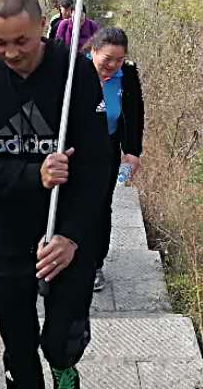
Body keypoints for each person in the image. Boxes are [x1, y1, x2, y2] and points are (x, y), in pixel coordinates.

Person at [0, 0, 112, 389]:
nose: (10, 53)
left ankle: (64, 367)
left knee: (61, 341)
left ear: (43, 26)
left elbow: (99, 165)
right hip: (9, 229)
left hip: (68, 227)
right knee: (18, 344)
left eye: (21, 41)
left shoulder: (76, 72)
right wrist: (34, 175)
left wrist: (71, 237)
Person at [85, 25, 144, 292]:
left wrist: (132, 152)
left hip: (106, 149)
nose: (112, 65)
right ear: (93, 51)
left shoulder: (127, 75)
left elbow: (134, 113)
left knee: (100, 206)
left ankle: (95, 264)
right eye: (107, 58)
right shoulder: (75, 71)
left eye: (119, 60)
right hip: (74, 149)